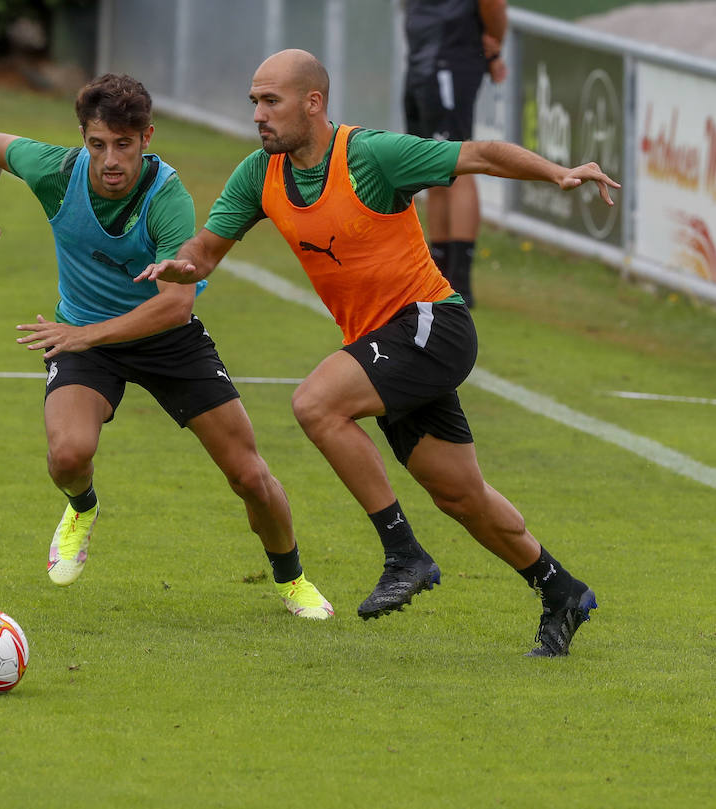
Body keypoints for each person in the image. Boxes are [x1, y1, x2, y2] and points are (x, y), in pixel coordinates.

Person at [138, 49, 617, 656]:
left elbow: (479, 154)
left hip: (430, 325)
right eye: (254, 102)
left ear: (314, 103)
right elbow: (204, 251)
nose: (258, 114)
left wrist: (557, 173)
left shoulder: (370, 156)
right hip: (381, 344)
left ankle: (403, 554)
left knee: (316, 404)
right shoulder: (259, 175)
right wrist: (180, 265)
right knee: (460, 495)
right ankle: (561, 592)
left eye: (270, 101)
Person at [0, 73, 333, 619]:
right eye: (97, 144)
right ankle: (82, 508)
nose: (110, 159)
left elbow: (177, 306)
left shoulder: (167, 198)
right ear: (83, 138)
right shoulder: (58, 174)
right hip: (84, 334)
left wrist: (83, 335)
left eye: (124, 145)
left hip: (165, 338)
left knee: (248, 475)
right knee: (68, 456)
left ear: (146, 138)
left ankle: (292, 578)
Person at [403, 0, 509, 306]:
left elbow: (494, 4)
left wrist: (494, 45)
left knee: (456, 163)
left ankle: (460, 280)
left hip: (448, 57)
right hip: (422, 59)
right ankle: (438, 275)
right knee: (430, 168)